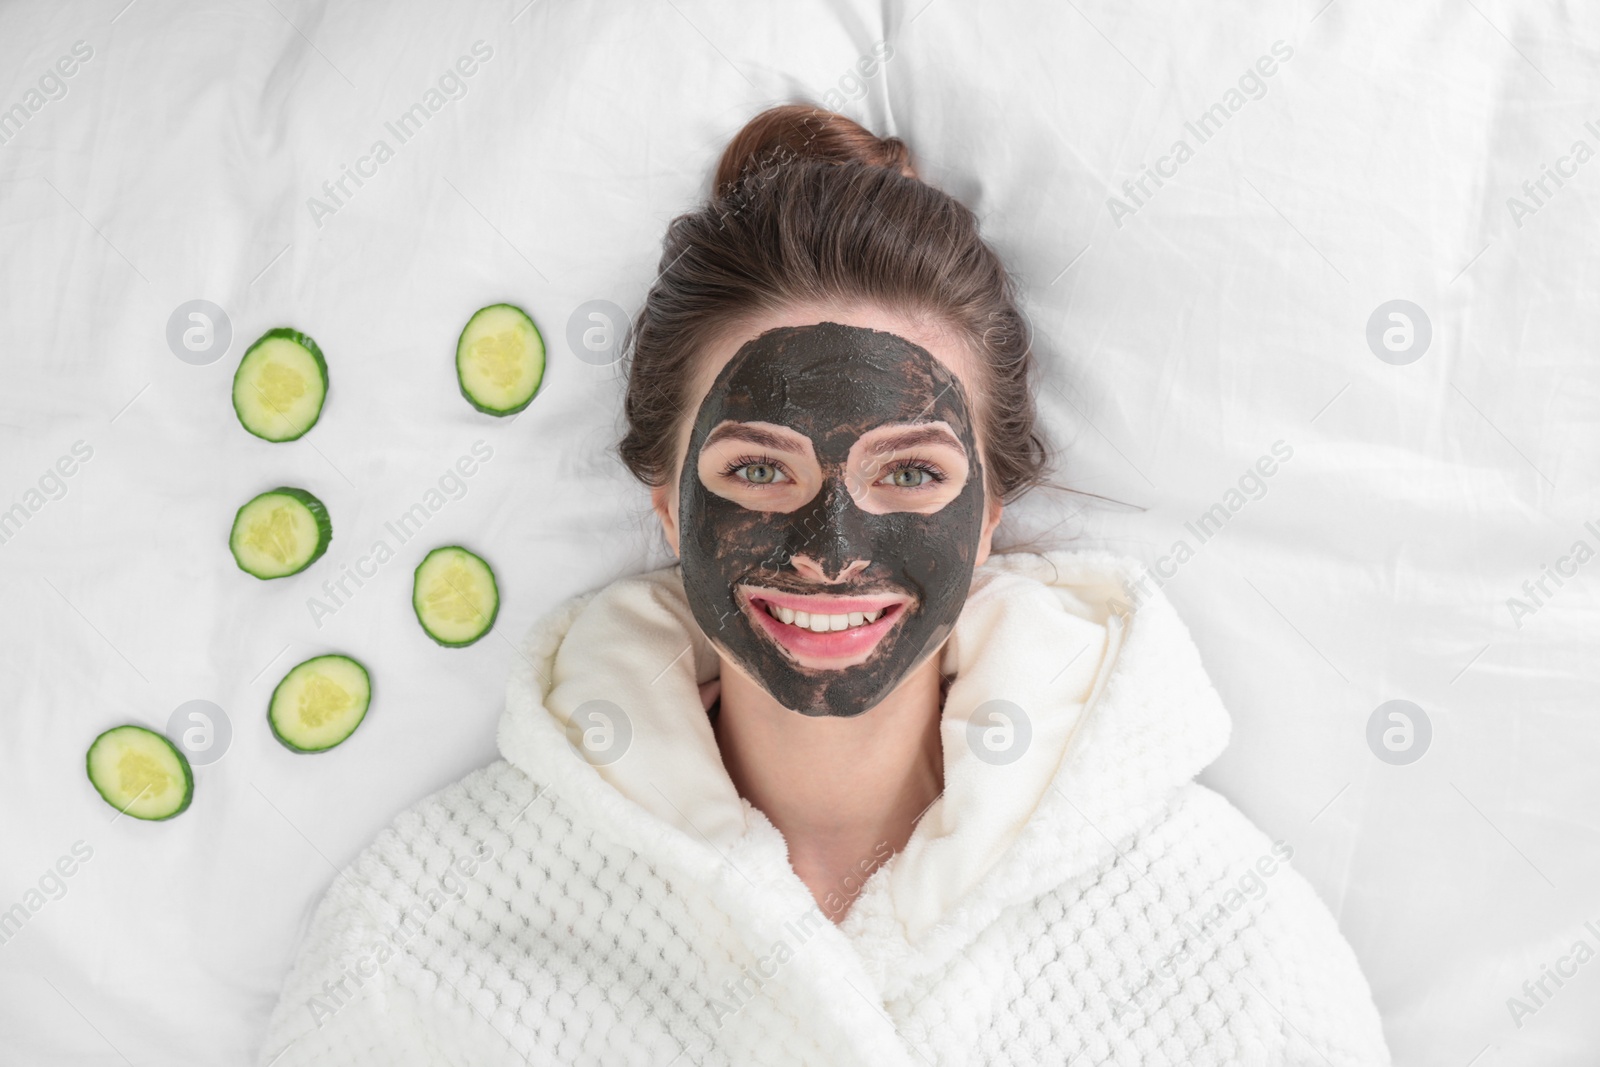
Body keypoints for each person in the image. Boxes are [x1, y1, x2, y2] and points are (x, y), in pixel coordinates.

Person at [257, 104, 1390, 1066]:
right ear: (664, 499)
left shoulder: (1219, 930)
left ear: (993, 506)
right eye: (757, 468)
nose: (832, 545)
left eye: (910, 472)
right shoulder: (421, 929)